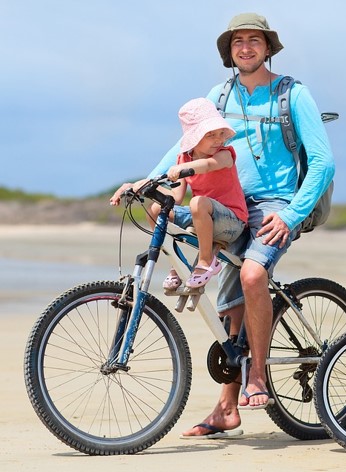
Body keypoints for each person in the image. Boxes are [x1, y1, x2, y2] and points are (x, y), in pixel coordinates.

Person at [112, 12, 334, 437]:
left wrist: (291, 214)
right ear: (229, 51)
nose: (246, 47)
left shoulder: (293, 93)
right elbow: (185, 147)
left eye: (254, 40)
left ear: (268, 47)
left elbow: (323, 161)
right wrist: (148, 180)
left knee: (251, 276)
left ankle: (259, 378)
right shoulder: (220, 94)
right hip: (225, 205)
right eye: (238, 42)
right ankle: (226, 409)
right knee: (220, 290)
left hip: (274, 204)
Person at [110, 98, 248, 289]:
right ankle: (175, 264)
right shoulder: (183, 158)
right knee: (157, 208)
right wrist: (139, 185)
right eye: (210, 135)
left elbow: (208, 166)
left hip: (232, 222)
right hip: (201, 216)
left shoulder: (225, 154)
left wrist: (184, 168)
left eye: (220, 134)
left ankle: (206, 261)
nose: (218, 139)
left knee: (198, 202)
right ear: (194, 137)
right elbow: (175, 197)